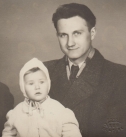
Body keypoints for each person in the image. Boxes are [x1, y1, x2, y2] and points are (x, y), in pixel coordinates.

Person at [44, 3, 126, 137]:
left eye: (77, 33)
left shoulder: (120, 76)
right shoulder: (43, 71)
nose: (70, 43)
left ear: (92, 33)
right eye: (63, 35)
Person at [2, 58, 82, 137]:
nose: (37, 87)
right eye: (31, 83)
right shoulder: (16, 113)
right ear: (23, 87)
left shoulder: (60, 111)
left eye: (41, 82)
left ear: (48, 83)